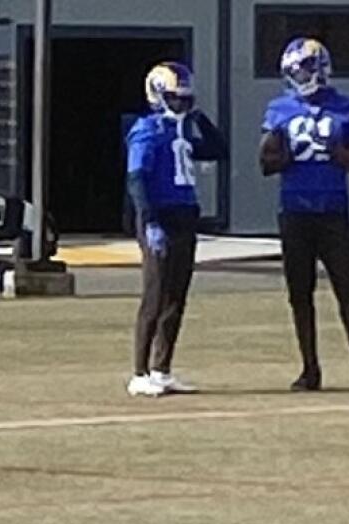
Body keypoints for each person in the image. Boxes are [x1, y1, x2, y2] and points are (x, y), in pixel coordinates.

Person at [260, 38, 349, 391]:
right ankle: (309, 368)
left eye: (304, 69)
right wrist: (284, 154)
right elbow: (266, 163)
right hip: (295, 211)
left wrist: (333, 150)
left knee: (348, 290)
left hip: (332, 211)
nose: (300, 76)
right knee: (300, 293)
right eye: (295, 71)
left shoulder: (348, 107)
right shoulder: (279, 109)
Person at [125, 61, 227, 398]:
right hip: (160, 215)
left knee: (176, 297)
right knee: (154, 296)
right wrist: (150, 220)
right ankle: (139, 372)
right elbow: (137, 177)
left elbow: (218, 151)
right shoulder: (147, 129)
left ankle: (162, 369)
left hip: (185, 215)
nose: (182, 104)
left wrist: (200, 120)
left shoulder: (181, 130)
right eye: (175, 97)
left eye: (186, 99)